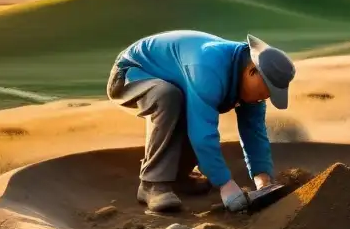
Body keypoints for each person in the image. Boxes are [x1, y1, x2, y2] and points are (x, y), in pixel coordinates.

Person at [106, 31, 295, 213]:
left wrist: (263, 180)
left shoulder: (252, 88)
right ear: (252, 71)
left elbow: (254, 133)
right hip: (130, 73)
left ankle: (179, 177)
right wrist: (225, 184)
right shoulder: (208, 69)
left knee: (187, 104)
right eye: (265, 91)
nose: (265, 98)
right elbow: (202, 134)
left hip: (173, 77)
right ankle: (152, 184)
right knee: (168, 97)